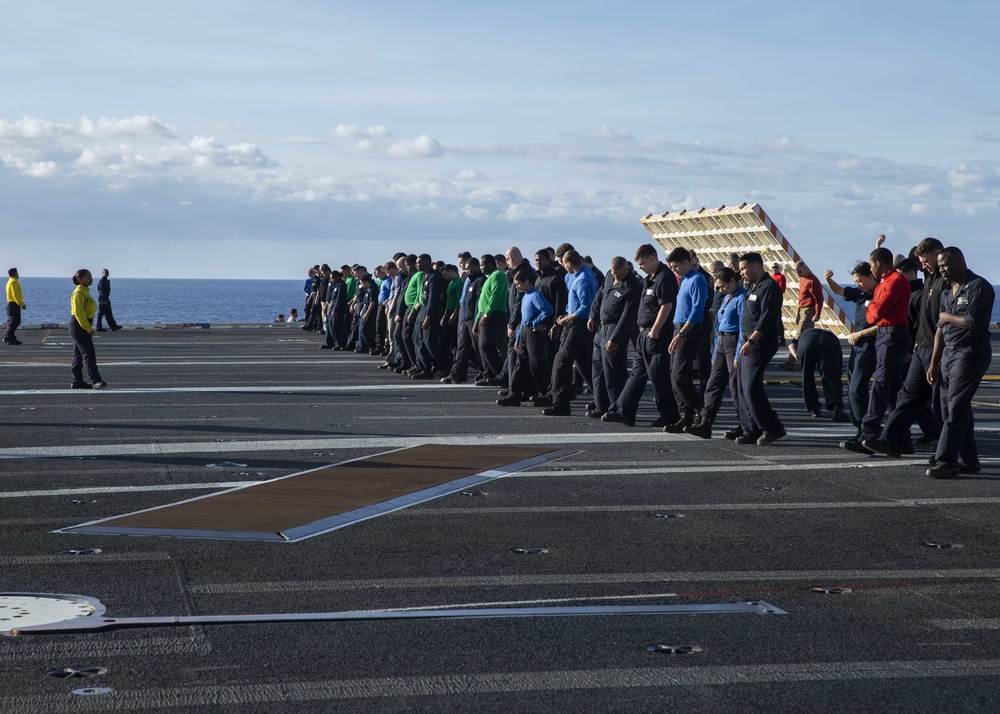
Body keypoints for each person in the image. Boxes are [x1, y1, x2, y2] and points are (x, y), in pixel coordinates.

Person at [863, 239, 946, 458]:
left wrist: (938, 352)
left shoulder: (944, 283)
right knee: (906, 397)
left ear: (938, 254)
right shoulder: (930, 281)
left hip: (937, 348)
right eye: (921, 262)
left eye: (926, 260)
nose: (923, 266)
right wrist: (916, 340)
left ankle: (953, 454)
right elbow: (922, 315)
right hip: (921, 346)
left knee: (943, 404)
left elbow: (876, 312)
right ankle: (892, 441)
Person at [923, 247, 995, 478]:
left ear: (959, 262)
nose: (940, 269)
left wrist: (947, 317)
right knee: (948, 408)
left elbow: (975, 321)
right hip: (949, 355)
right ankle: (970, 459)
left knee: (955, 407)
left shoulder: (978, 287)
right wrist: (934, 363)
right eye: (940, 266)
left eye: (944, 265)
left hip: (970, 353)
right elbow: (940, 331)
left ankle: (946, 460)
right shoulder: (946, 290)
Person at [841, 246, 911, 454]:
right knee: (891, 389)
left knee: (881, 385)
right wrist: (873, 306)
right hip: (885, 335)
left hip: (892, 335)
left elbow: (875, 313)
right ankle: (901, 438)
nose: (870, 269)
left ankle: (869, 434)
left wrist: (872, 306)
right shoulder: (884, 283)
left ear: (879, 263)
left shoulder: (895, 281)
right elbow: (874, 314)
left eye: (871, 265)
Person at [603, 244, 679, 428]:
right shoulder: (649, 279)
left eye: (642, 263)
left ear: (652, 258)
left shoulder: (664, 277)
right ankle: (624, 412)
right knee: (637, 374)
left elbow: (666, 306)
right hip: (644, 334)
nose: (640, 267)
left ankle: (669, 415)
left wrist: (655, 331)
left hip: (656, 334)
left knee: (658, 376)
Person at [686, 267, 746, 439]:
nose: (720, 290)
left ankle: (745, 423)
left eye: (722, 286)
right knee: (713, 384)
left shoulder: (741, 298)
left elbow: (743, 327)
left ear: (733, 282)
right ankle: (706, 422)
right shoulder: (728, 298)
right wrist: (714, 353)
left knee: (735, 386)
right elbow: (718, 325)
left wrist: (737, 355)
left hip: (733, 342)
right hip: (721, 342)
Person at [734, 252, 786, 445]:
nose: (742, 274)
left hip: (760, 343)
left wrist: (752, 341)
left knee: (751, 386)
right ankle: (751, 429)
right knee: (741, 387)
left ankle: (773, 428)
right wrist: (743, 344)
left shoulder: (770, 287)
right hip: (747, 343)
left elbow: (766, 318)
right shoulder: (752, 287)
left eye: (744, 269)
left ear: (756, 266)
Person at [825, 262, 878, 445]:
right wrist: (828, 279)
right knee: (853, 388)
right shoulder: (860, 294)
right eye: (855, 281)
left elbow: (884, 325)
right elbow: (839, 291)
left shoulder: (879, 293)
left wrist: (859, 334)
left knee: (857, 389)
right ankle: (860, 430)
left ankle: (868, 431)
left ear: (871, 277)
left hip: (870, 346)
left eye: (860, 281)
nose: (857, 285)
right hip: (857, 346)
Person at [539, 250, 597, 416]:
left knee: (561, 360)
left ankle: (561, 404)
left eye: (563, 264)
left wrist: (567, 319)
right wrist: (567, 315)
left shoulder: (582, 280)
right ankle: (603, 399)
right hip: (573, 322)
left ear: (569, 264)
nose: (563, 267)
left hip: (578, 325)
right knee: (582, 363)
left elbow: (585, 309)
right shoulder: (582, 274)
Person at [586, 256, 640, 419]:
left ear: (627, 269)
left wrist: (615, 338)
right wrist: (592, 316)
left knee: (613, 373)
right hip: (601, 328)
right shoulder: (609, 276)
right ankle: (601, 405)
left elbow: (627, 316)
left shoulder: (633, 286)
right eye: (614, 274)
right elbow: (599, 295)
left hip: (615, 329)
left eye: (620, 275)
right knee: (598, 370)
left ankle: (616, 407)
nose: (617, 277)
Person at [498, 269, 554, 406]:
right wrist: (518, 338)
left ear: (526, 282)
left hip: (533, 333)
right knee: (519, 364)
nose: (517, 286)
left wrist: (536, 322)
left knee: (537, 364)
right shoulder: (525, 296)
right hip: (524, 332)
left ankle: (547, 395)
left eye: (518, 284)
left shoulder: (535, 295)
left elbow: (548, 310)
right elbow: (523, 319)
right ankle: (514, 394)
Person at [790, 329, 848, 421]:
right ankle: (837, 409)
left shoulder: (798, 339)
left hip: (806, 342)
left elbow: (792, 347)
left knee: (807, 375)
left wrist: (799, 357)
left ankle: (815, 408)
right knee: (832, 376)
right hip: (829, 339)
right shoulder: (828, 335)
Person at [68, 269, 107, 389]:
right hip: (79, 325)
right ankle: (95, 380)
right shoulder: (79, 292)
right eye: (87, 277)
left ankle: (77, 381)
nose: (90, 279)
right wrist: (88, 328)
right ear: (79, 279)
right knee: (88, 354)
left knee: (78, 355)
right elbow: (79, 313)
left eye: (90, 276)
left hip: (82, 324)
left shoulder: (85, 291)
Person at [474, 254, 508, 386]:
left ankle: (502, 375)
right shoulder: (489, 278)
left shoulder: (498, 275)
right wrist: (477, 320)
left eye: (483, 265)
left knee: (487, 345)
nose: (481, 268)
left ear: (490, 264)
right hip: (484, 314)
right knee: (482, 346)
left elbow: (495, 295)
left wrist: (487, 314)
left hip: (495, 314)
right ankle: (488, 374)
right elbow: (482, 301)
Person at [782, 261, 822, 368]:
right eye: (797, 272)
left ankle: (793, 362)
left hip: (809, 311)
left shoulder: (812, 280)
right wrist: (798, 314)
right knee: (804, 337)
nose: (798, 274)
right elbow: (801, 298)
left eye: (800, 272)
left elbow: (819, 298)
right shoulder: (803, 279)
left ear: (805, 268)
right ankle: (794, 361)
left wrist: (817, 314)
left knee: (799, 336)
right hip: (803, 310)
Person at [5, 268, 26, 345]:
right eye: (17, 272)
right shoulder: (13, 282)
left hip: (12, 304)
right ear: (14, 273)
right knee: (15, 321)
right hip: (13, 304)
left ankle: (12, 338)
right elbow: (15, 295)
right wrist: (21, 303)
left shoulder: (10, 281)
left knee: (13, 321)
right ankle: (7, 337)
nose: (18, 274)